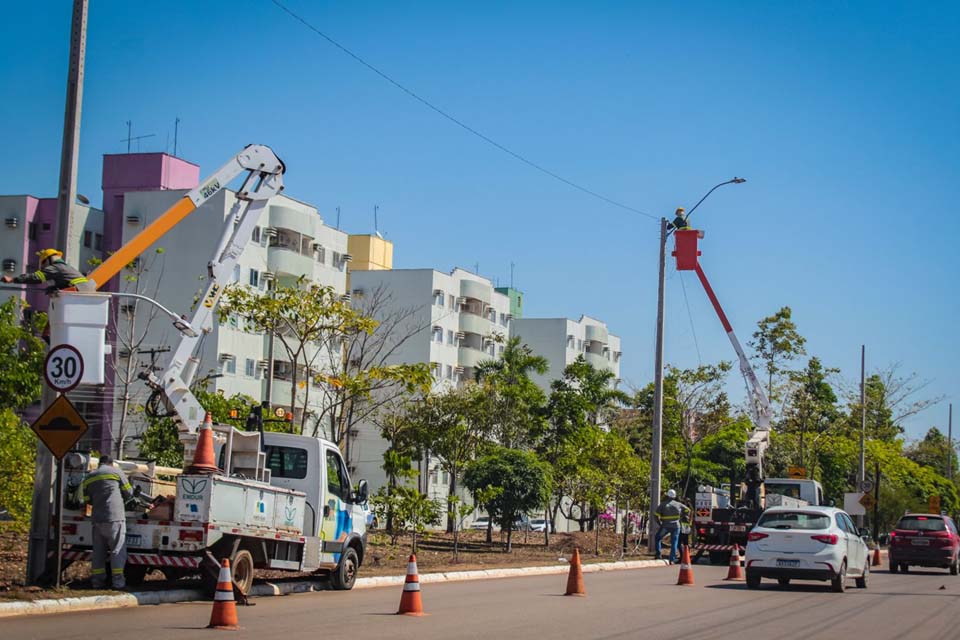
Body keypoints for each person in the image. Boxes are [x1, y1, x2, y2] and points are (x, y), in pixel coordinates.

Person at [82, 455, 134, 589]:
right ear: (111, 464)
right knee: (117, 550)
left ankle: (97, 583)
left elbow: (87, 499)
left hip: (97, 519)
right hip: (114, 517)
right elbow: (129, 492)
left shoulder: (89, 477)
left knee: (98, 552)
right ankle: (118, 583)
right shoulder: (116, 472)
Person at [1, 248, 93, 292]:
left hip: (78, 293)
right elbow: (66, 283)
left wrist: (13, 279)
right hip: (86, 293)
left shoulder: (55, 268)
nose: (44, 267)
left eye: (44, 264)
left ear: (49, 260)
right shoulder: (68, 268)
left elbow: (35, 277)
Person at [654, 489, 690, 564]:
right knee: (674, 542)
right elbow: (688, 510)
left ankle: (658, 554)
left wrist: (659, 523)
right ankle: (672, 560)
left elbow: (656, 516)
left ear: (667, 495)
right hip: (676, 526)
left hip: (665, 526)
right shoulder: (678, 504)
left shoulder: (662, 504)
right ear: (674, 496)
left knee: (658, 538)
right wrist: (681, 516)